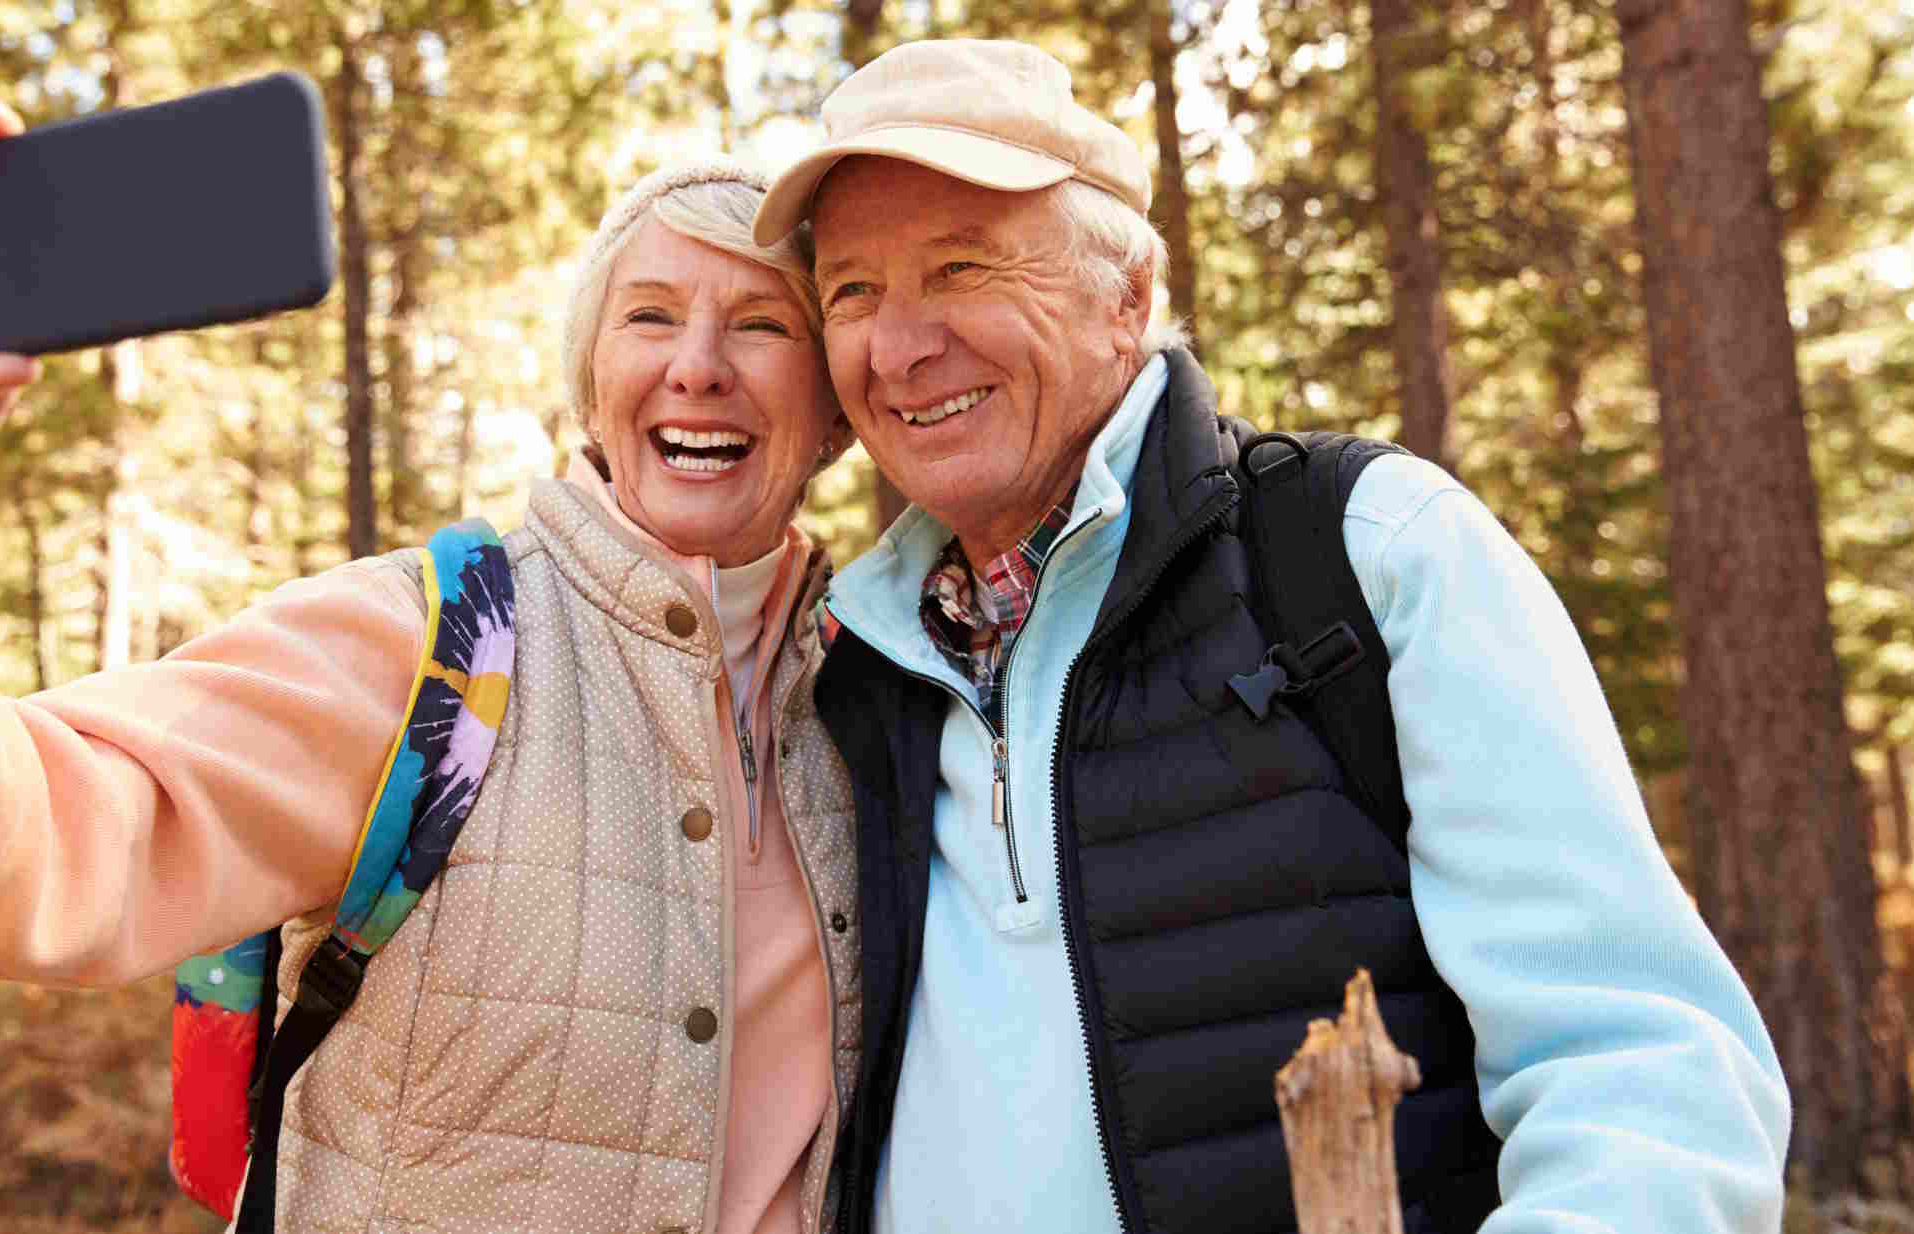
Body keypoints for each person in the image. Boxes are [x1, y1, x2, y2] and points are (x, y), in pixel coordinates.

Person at [750, 38, 1792, 1234]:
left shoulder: (1371, 551)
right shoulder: (853, 670)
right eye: (853, 294)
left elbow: (1645, 1072)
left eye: (963, 267)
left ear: (1125, 298)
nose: (901, 344)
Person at [0, 86, 861, 1234]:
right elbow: (53, 843)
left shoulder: (892, 696)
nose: (698, 365)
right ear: (593, 395)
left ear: (838, 406)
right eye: (649, 318)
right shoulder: (435, 643)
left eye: (762, 323)